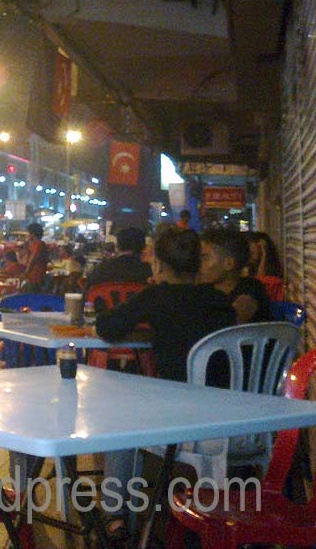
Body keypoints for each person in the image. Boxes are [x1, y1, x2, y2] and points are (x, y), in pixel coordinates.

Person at [95, 227, 236, 540]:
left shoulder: (156, 297)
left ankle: (116, 516)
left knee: (119, 418)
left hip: (176, 419)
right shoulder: (221, 301)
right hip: (224, 414)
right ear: (197, 265)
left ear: (158, 266)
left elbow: (106, 327)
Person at [199, 228, 272, 324]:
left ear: (228, 263)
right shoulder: (200, 292)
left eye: (205, 258)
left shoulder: (251, 291)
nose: (198, 263)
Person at [83, 227, 152, 290]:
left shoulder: (102, 269)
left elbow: (87, 297)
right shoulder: (150, 271)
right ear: (143, 247)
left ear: (117, 247)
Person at [22, 223, 49, 292]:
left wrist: (25, 273)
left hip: (35, 278)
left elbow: (32, 260)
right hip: (32, 277)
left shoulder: (39, 244)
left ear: (32, 234)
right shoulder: (33, 245)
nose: (27, 235)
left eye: (28, 233)